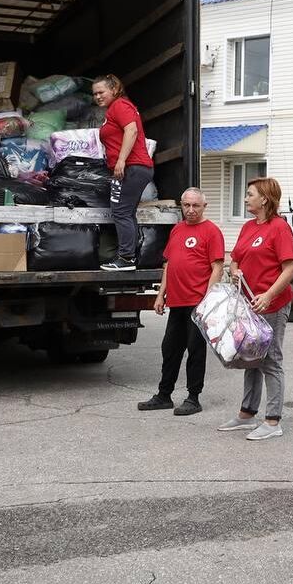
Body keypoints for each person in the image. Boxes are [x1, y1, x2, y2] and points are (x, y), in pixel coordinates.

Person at [218, 177, 293, 441]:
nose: (245, 198)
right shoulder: (248, 227)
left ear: (264, 198)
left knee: (270, 359)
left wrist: (268, 295)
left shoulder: (279, 228)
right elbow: (235, 260)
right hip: (249, 305)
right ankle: (246, 413)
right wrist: (235, 271)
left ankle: (273, 421)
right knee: (251, 358)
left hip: (272, 304)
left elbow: (289, 269)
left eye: (250, 194)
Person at [137, 188, 226, 415]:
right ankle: (164, 395)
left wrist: (208, 300)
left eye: (196, 206)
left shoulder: (212, 231)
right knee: (170, 348)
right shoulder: (177, 230)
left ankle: (193, 398)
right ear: (181, 206)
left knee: (195, 351)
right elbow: (169, 264)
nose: (191, 210)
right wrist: (160, 294)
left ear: (204, 206)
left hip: (198, 302)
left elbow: (217, 267)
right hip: (176, 302)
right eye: (186, 205)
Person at [94, 74, 155, 272]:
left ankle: (126, 258)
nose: (97, 96)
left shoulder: (120, 105)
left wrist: (121, 160)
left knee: (120, 212)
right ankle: (130, 256)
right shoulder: (114, 109)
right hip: (133, 167)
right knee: (126, 213)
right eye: (94, 94)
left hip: (132, 167)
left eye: (101, 92)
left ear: (114, 89)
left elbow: (132, 131)